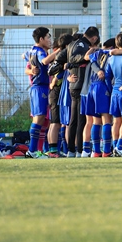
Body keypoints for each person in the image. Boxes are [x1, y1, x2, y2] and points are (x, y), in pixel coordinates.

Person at [66, 26, 100, 157]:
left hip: (74, 84)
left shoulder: (72, 44)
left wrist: (68, 71)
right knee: (80, 120)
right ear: (94, 38)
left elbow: (65, 60)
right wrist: (86, 57)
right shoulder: (82, 44)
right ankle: (79, 150)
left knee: (74, 120)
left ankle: (71, 150)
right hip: (80, 85)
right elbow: (74, 58)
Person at [24, 27, 52, 158]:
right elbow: (44, 61)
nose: (50, 40)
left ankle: (36, 150)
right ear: (41, 39)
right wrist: (60, 52)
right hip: (40, 87)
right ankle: (32, 150)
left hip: (39, 87)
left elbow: (23, 57)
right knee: (39, 118)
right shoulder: (40, 51)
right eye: (48, 37)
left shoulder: (31, 50)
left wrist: (31, 69)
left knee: (43, 120)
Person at [45, 33, 73, 157]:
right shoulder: (61, 56)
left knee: (57, 123)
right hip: (57, 92)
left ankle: (58, 150)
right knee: (57, 123)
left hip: (55, 92)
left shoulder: (59, 56)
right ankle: (54, 151)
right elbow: (56, 75)